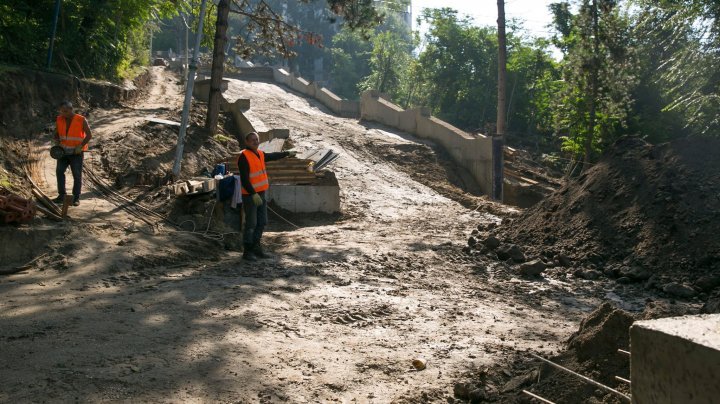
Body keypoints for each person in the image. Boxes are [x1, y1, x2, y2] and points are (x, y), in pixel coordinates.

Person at [238, 132, 296, 261]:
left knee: (262, 222)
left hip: (261, 194)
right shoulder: (244, 157)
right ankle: (247, 252)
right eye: (252, 140)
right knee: (251, 223)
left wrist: (287, 153)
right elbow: (244, 179)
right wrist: (253, 194)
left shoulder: (260, 154)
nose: (255, 142)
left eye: (256, 140)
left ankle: (256, 248)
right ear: (247, 142)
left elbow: (273, 156)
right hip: (250, 195)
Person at [53, 101, 92, 206]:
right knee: (59, 172)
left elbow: (89, 135)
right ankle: (61, 195)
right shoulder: (59, 119)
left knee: (77, 175)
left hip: (76, 153)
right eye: (61, 111)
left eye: (65, 111)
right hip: (63, 152)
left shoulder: (81, 119)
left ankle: (76, 197)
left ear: (71, 109)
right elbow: (56, 133)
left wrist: (81, 146)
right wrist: (56, 139)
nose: (63, 114)